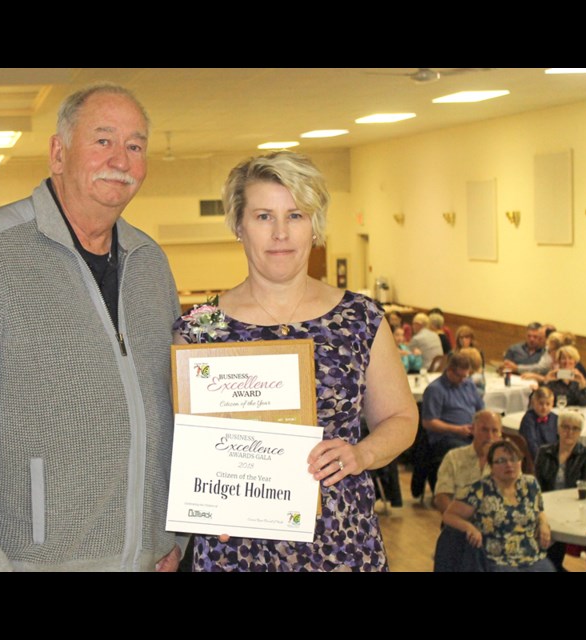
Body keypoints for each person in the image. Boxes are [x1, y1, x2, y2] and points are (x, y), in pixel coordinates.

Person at [0, 84, 182, 572]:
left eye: (135, 145)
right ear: (58, 153)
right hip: (32, 559)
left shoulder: (150, 263)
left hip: (150, 557)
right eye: (103, 140)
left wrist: (174, 532)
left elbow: (170, 402)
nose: (120, 159)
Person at [172, 150, 417, 571]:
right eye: (264, 216)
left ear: (315, 226)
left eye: (296, 215)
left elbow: (401, 418)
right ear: (238, 225)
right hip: (235, 549)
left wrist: (362, 454)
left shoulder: (360, 319)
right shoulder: (198, 330)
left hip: (340, 541)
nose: (280, 233)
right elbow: (177, 445)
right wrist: (202, 502)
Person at [443, 440, 554, 572]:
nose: (509, 465)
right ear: (491, 465)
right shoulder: (480, 490)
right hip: (496, 559)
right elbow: (449, 515)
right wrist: (469, 528)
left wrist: (543, 523)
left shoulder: (530, 484)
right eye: (501, 461)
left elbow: (538, 510)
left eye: (514, 459)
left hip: (530, 555)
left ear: (521, 461)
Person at [534, 410, 586, 571]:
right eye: (565, 427)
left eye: (575, 428)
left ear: (580, 432)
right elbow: (537, 485)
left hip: (573, 510)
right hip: (546, 507)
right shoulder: (544, 452)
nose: (569, 432)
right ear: (558, 429)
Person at [417, 352, 485, 495]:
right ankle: (464, 494)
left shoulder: (468, 384)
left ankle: (484, 492)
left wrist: (479, 426)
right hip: (445, 437)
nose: (462, 380)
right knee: (469, 452)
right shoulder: (435, 389)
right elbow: (428, 422)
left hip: (470, 433)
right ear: (449, 371)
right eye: (459, 376)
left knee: (495, 448)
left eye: (465, 376)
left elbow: (481, 410)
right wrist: (457, 429)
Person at [433, 409, 503, 513]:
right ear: (473, 429)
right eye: (484, 430)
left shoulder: (507, 462)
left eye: (494, 431)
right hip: (459, 522)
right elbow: (441, 497)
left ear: (500, 434)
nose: (489, 436)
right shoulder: (454, 458)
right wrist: (458, 521)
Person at [519, 386, 558, 461]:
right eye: (541, 403)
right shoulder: (529, 420)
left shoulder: (555, 418)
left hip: (554, 456)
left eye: (548, 404)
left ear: (552, 404)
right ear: (533, 403)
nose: (544, 407)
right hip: (537, 458)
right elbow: (531, 444)